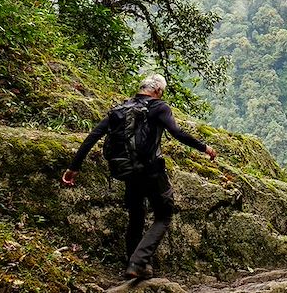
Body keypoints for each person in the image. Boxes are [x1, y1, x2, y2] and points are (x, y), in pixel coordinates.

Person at [61, 74, 217, 279]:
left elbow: (93, 136)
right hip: (152, 171)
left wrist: (74, 168)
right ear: (158, 91)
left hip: (128, 172)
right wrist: (204, 147)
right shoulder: (160, 107)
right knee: (164, 213)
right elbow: (177, 133)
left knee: (136, 215)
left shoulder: (120, 109)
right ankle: (138, 261)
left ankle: (135, 266)